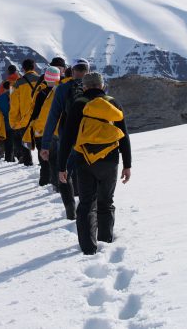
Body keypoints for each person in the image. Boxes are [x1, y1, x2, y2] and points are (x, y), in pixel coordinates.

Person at [58, 72, 132, 255]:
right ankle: (105, 240)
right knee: (106, 202)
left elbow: (66, 138)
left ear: (84, 87)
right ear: (102, 85)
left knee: (86, 204)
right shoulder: (113, 104)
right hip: (111, 160)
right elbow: (124, 136)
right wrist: (127, 164)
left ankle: (88, 248)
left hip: (85, 160)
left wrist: (61, 167)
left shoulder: (78, 104)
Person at [39, 58, 90, 218]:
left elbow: (53, 117)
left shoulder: (62, 89)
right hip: (90, 139)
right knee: (87, 173)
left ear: (72, 70)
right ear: (87, 71)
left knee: (64, 173)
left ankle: (70, 208)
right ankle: (88, 208)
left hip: (67, 140)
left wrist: (45, 144)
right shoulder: (96, 87)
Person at [28, 66, 61, 186]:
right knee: (57, 160)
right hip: (58, 130)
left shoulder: (41, 93)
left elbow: (35, 113)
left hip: (41, 131)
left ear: (45, 78)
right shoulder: (61, 91)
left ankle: (46, 183)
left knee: (45, 161)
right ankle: (57, 184)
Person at [9, 58, 40, 166]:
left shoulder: (17, 84)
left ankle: (28, 162)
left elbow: (14, 105)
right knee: (41, 142)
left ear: (23, 69)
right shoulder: (41, 79)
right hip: (41, 116)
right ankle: (44, 165)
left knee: (25, 142)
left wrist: (13, 121)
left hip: (25, 118)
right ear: (34, 67)